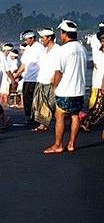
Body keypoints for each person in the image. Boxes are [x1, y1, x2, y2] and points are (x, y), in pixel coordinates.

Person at [44, 20, 87, 154]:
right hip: (79, 89)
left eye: (61, 33)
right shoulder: (82, 49)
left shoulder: (63, 50)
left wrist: (55, 86)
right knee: (75, 116)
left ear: (65, 34)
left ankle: (58, 145)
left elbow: (58, 72)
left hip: (65, 89)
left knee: (60, 115)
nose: (60, 35)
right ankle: (71, 144)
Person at [31, 28, 61, 132]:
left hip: (51, 80)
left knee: (53, 103)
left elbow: (60, 67)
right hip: (41, 79)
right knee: (40, 103)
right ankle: (42, 124)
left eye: (43, 37)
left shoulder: (58, 49)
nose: (41, 39)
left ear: (49, 38)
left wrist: (55, 78)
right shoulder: (44, 50)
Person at [14, 30, 44, 125]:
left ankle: (37, 118)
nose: (25, 42)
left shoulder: (40, 48)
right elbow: (23, 64)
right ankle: (30, 117)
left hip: (36, 78)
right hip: (27, 77)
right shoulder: (27, 49)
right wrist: (17, 74)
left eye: (27, 39)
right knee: (27, 98)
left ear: (32, 38)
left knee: (35, 99)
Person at [81, 30, 104, 137]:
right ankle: (86, 123)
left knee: (96, 108)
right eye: (102, 40)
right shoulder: (99, 51)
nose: (102, 42)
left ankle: (87, 123)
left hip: (100, 83)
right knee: (95, 107)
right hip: (98, 83)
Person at [85, 21, 104, 113]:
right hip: (98, 68)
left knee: (96, 89)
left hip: (97, 68)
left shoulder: (93, 38)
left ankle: (94, 110)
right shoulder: (95, 38)